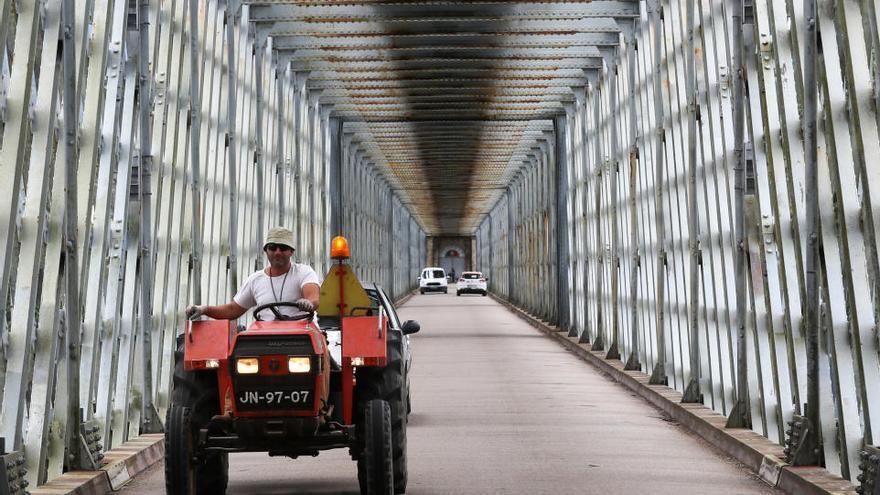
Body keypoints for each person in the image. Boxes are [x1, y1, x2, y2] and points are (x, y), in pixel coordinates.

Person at [185, 227, 320, 321]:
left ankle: (324, 362)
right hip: (266, 336)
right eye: (272, 247)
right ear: (266, 251)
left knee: (319, 350)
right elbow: (233, 309)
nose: (277, 252)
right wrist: (204, 309)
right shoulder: (256, 280)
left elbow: (313, 298)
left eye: (283, 248)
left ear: (291, 251)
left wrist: (308, 303)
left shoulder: (304, 272)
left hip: (301, 334)